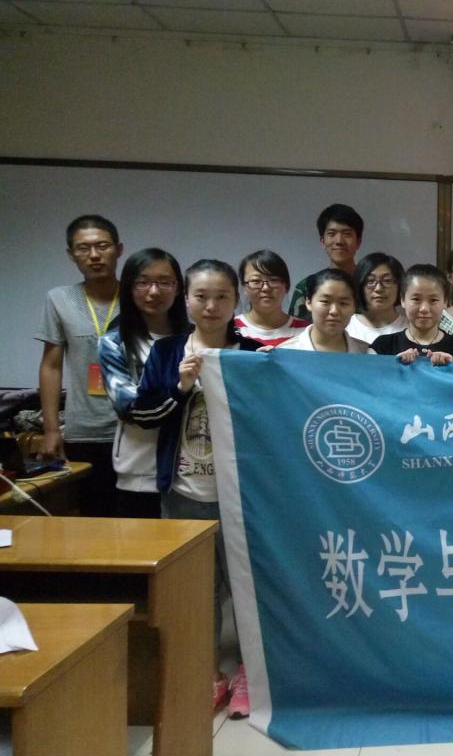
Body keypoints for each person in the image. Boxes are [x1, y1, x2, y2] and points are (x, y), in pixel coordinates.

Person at [130, 259, 261, 719]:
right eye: (201, 296)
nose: (211, 305)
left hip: (241, 495)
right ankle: (207, 673)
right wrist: (181, 387)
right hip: (184, 489)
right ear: (186, 299)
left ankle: (250, 673)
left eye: (222, 296)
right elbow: (143, 414)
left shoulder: (251, 352)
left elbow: (267, 419)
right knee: (197, 589)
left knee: (246, 586)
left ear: (236, 301)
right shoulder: (167, 351)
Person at [36, 214, 124, 516]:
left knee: (138, 518)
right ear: (71, 254)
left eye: (103, 246)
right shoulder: (59, 299)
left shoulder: (139, 297)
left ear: (119, 249)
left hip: (134, 428)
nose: (94, 255)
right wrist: (51, 429)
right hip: (83, 431)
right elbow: (51, 366)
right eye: (83, 248)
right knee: (92, 516)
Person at [98, 248, 189, 518]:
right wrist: (181, 391)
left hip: (191, 470)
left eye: (164, 282)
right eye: (143, 282)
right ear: (129, 288)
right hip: (140, 469)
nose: (154, 291)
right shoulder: (114, 343)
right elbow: (132, 408)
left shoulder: (195, 338)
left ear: (178, 288)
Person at [370, 264, 453, 365]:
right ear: (403, 300)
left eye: (433, 300)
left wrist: (451, 367)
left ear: (445, 301)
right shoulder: (382, 346)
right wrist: (393, 364)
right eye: (416, 299)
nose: (424, 309)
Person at [288, 204, 364, 320]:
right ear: (323, 241)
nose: (339, 241)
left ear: (358, 242)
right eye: (331, 234)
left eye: (347, 234)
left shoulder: (372, 285)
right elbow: (297, 327)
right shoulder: (307, 286)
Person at [277, 269, 369, 353]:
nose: (334, 311)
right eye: (325, 301)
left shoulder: (367, 353)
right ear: (308, 302)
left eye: (343, 303)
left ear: (354, 307)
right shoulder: (285, 353)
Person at [233, 250, 309, 346]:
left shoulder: (307, 332)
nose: (266, 288)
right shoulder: (229, 329)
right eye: (256, 281)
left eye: (274, 280)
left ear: (287, 286)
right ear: (244, 287)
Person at [346, 252, 408, 345]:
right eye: (370, 281)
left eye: (387, 281)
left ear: (399, 285)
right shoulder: (345, 326)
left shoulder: (411, 330)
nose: (378, 289)